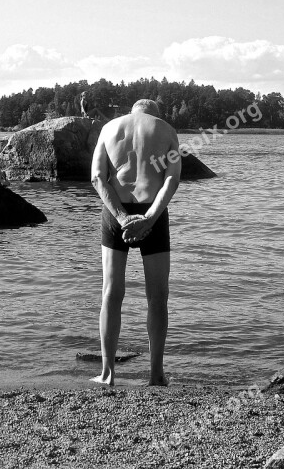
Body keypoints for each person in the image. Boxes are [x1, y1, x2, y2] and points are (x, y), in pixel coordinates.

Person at [90, 99, 181, 386]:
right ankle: (156, 375)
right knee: (157, 297)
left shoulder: (109, 128)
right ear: (154, 113)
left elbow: (96, 177)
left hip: (115, 212)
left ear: (132, 112)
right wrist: (150, 218)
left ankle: (107, 374)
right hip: (152, 211)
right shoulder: (166, 130)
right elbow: (171, 180)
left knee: (111, 293)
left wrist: (120, 217)